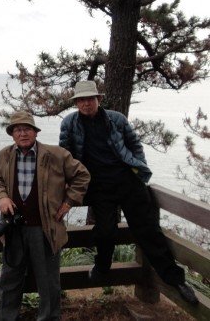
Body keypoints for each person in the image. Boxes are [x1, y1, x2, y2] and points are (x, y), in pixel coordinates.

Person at [59, 80, 199, 305]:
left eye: (90, 99)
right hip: (98, 187)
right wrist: (68, 183)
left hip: (128, 182)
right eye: (81, 100)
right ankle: (102, 266)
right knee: (105, 231)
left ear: (99, 99)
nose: (86, 103)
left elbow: (135, 145)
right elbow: (65, 155)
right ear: (76, 103)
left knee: (147, 231)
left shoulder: (116, 119)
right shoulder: (69, 123)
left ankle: (177, 280)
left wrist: (138, 170)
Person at [0, 111, 90, 320]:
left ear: (35, 132)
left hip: (45, 228)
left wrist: (69, 201)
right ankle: (7, 318)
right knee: (10, 278)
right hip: (14, 229)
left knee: (48, 280)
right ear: (12, 134)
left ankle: (49, 318)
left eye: (27, 129)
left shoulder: (56, 154)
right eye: (18, 130)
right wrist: (2, 196)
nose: (23, 133)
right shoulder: (4, 155)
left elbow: (82, 175)